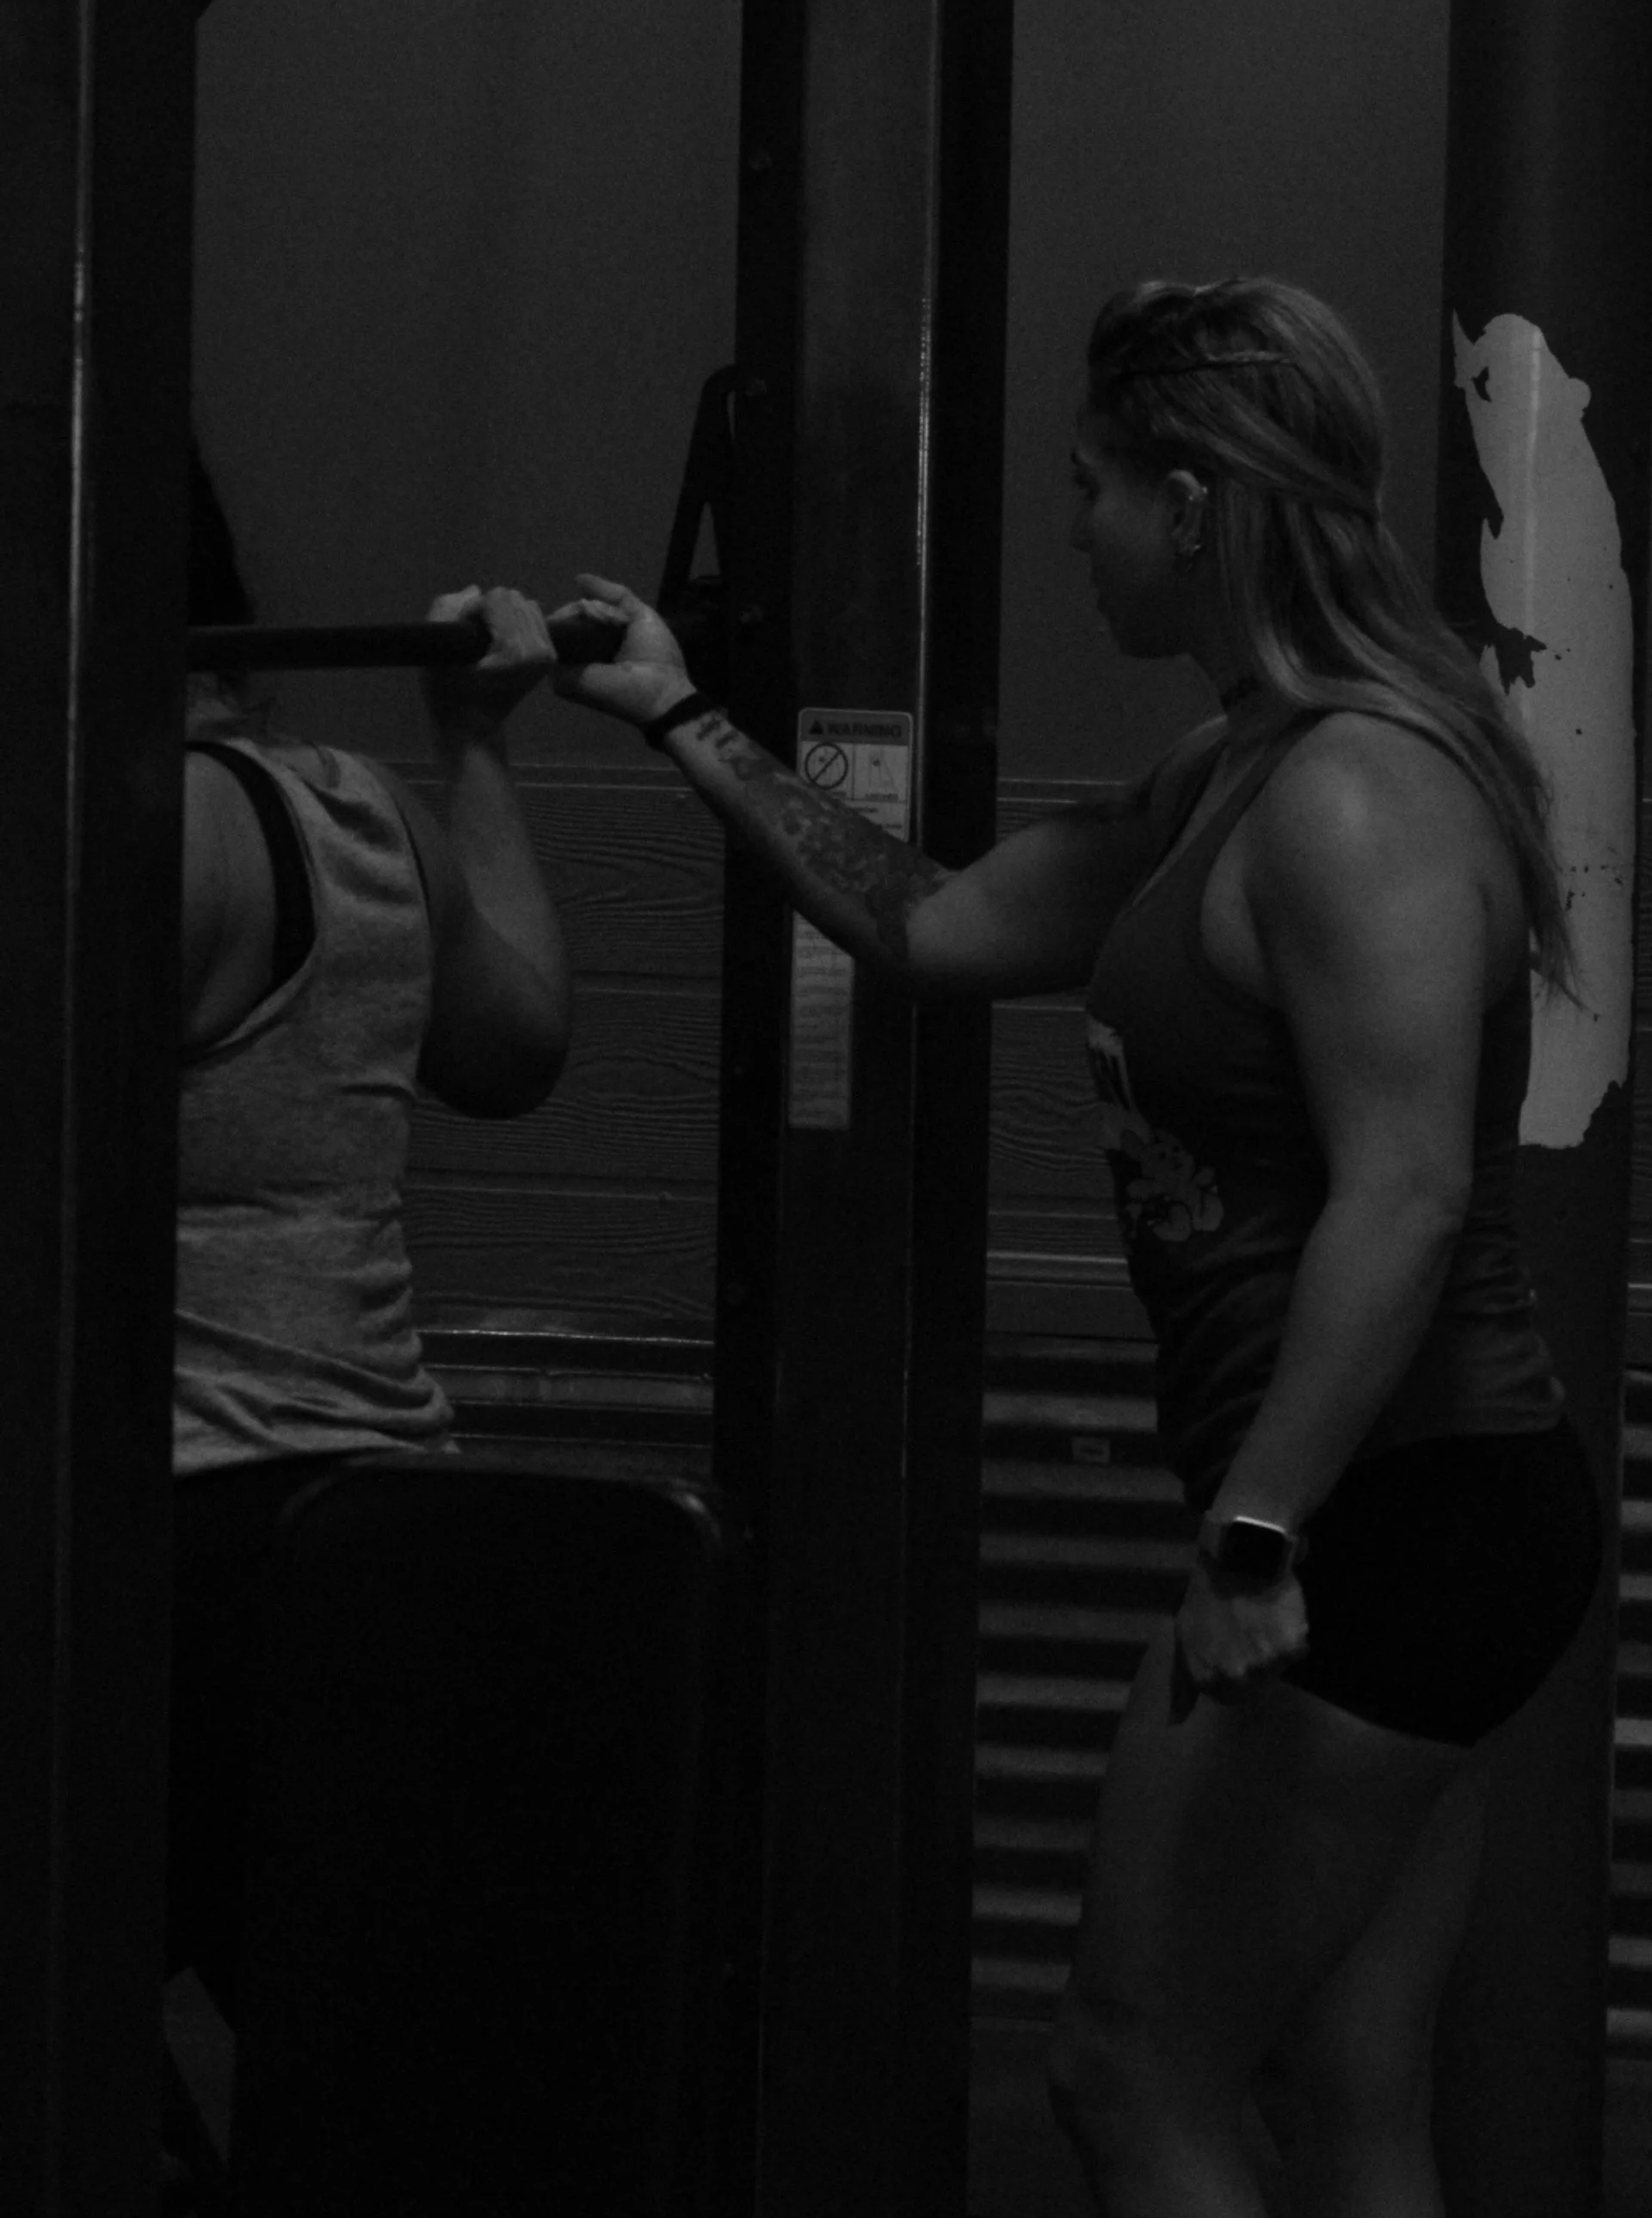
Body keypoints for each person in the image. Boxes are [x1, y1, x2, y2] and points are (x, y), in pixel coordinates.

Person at [548, 276, 1604, 2218]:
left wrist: (1259, 1532)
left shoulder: (1353, 793)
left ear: (1195, 500)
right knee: (1352, 2076)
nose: (1076, 532)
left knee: (1132, 2070)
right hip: (1413, 1510)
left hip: (1390, 1511)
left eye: (1092, 487)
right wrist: (678, 712)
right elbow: (937, 928)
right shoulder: (1240, 769)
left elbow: (1407, 1188)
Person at [170, 447, 570, 2022]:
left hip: (175, 1533)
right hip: (373, 1516)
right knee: (331, 2052)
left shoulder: (134, 833)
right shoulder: (355, 807)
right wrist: (472, 750)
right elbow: (519, 1046)